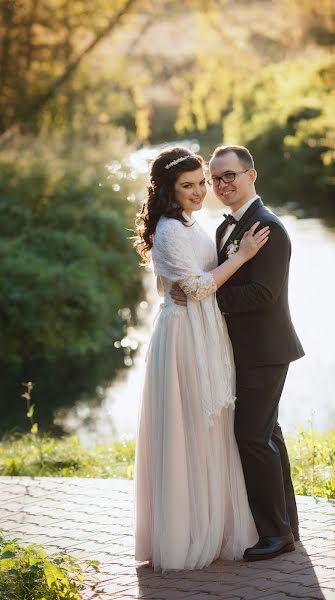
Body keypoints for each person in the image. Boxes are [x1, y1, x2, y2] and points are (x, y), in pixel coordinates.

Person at [133, 146, 269, 572]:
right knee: (187, 427)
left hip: (202, 332)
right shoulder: (171, 228)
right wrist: (241, 257)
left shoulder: (193, 223)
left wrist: (186, 284)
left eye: (201, 183)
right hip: (183, 340)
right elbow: (193, 287)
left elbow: (174, 282)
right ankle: (184, 534)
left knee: (208, 427)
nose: (198, 192)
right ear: (169, 191)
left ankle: (211, 524)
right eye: (187, 186)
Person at [171, 144, 304, 561]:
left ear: (251, 176)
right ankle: (286, 526)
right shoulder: (226, 229)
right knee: (268, 435)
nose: (222, 184)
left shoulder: (268, 227)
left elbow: (264, 293)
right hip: (240, 350)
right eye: (216, 178)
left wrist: (203, 301)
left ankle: (273, 535)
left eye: (230, 175)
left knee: (251, 436)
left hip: (265, 351)